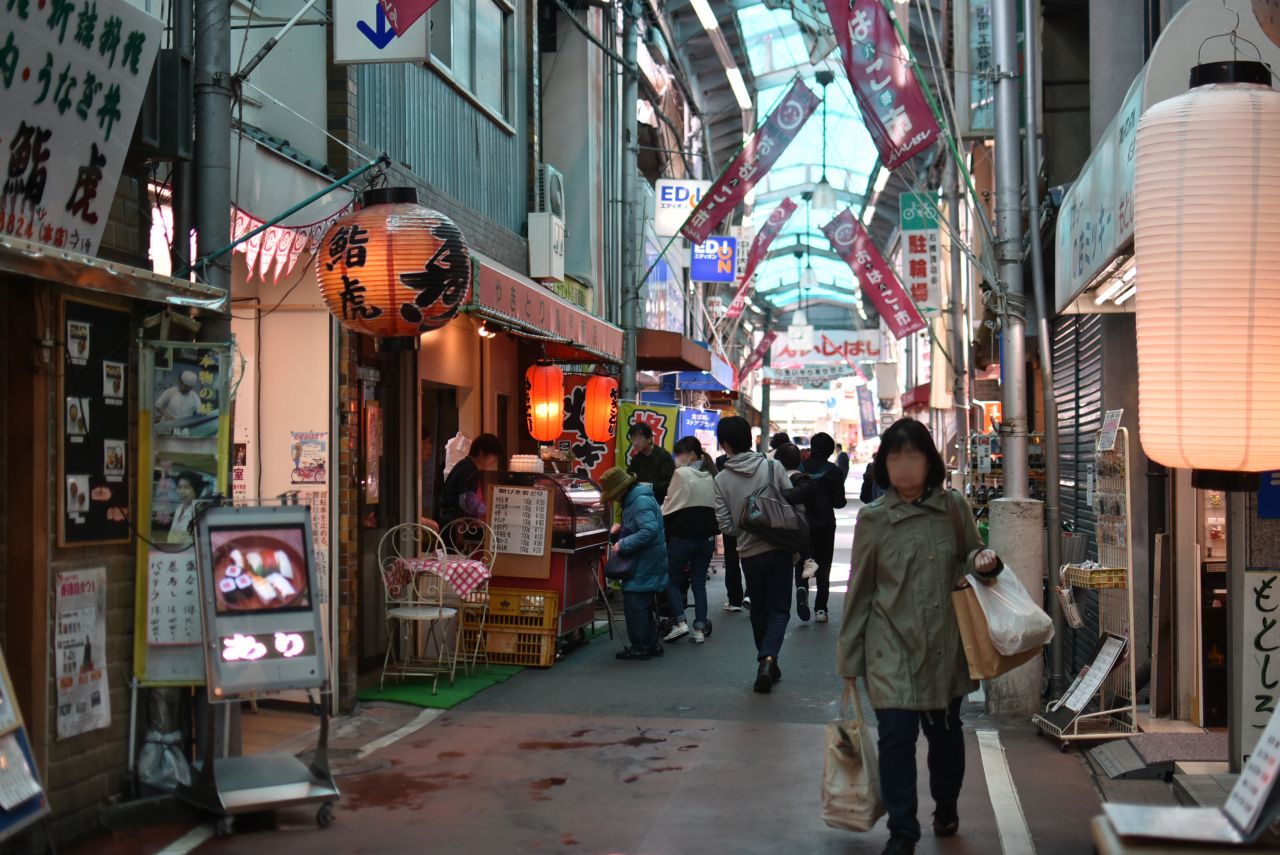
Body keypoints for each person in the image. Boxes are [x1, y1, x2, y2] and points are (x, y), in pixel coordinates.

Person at [838, 419, 1003, 855]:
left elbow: (970, 553)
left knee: (946, 739)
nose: (905, 466)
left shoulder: (953, 508)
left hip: (944, 646)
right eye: (896, 457)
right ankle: (902, 831)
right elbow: (861, 589)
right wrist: (850, 661)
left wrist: (983, 558)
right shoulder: (873, 520)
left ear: (930, 461)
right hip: (889, 645)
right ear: (883, 465)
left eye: (914, 455)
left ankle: (945, 804)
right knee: (895, 739)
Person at [713, 416, 795, 694]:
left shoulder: (722, 478)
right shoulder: (774, 467)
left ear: (724, 444)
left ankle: (767, 660)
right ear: (750, 438)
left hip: (748, 552)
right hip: (780, 548)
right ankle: (768, 660)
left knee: (758, 610)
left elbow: (725, 526)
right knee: (779, 609)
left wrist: (746, 525)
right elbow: (791, 503)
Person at [601, 466, 669, 661]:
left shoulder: (638, 502)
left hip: (644, 559)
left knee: (635, 602)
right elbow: (645, 527)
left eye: (613, 495)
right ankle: (650, 644)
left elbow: (649, 531)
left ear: (621, 490)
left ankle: (640, 646)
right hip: (649, 558)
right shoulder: (639, 499)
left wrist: (623, 543)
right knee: (643, 603)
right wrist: (622, 529)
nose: (613, 499)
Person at [661, 437, 719, 644]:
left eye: (680, 454)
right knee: (699, 584)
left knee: (672, 580)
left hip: (683, 538)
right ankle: (700, 628)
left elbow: (669, 502)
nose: (677, 458)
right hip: (706, 539)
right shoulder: (711, 475)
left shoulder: (682, 473)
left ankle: (680, 622)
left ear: (691, 455)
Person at [799, 432, 846, 623]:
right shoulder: (833, 471)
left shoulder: (800, 468)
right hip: (825, 523)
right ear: (829, 450)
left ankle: (802, 586)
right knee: (824, 564)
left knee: (805, 559)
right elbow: (839, 502)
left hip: (802, 522)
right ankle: (821, 609)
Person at [775, 443, 819, 622]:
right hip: (800, 524)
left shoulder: (776, 479)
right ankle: (802, 587)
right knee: (801, 560)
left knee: (784, 561)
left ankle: (780, 601)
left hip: (779, 526)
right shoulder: (802, 478)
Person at [440, 433, 504, 526]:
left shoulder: (465, 464)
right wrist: (490, 511)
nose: (494, 461)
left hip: (449, 519)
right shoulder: (470, 468)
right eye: (494, 456)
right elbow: (467, 501)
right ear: (481, 452)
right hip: (453, 523)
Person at [715, 452, 748, 613]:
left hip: (730, 518)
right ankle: (751, 595)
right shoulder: (756, 460)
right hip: (751, 518)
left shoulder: (721, 462)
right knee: (750, 558)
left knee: (732, 560)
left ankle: (735, 599)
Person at [625, 423, 676, 504]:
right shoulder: (636, 459)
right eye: (633, 438)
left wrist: (650, 485)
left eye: (639, 438)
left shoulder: (663, 456)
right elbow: (629, 479)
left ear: (649, 439)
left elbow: (671, 483)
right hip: (639, 502)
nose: (635, 443)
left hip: (659, 504)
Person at [168, 470, 203, 544]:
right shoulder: (179, 508)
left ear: (196, 490)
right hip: (173, 553)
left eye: (186, 487)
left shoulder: (199, 511)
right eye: (179, 487)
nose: (181, 491)